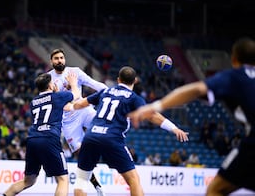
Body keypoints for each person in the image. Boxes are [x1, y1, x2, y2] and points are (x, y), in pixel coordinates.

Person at [128, 37, 255, 195]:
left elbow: (196, 90)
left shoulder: (236, 76)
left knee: (216, 190)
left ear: (234, 59)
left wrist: (156, 106)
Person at [70, 66, 189, 196]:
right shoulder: (134, 98)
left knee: (82, 179)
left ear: (118, 79)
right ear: (135, 81)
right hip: (111, 138)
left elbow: (78, 105)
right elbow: (152, 115)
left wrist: (74, 88)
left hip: (91, 136)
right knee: (133, 180)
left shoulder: (105, 91)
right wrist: (174, 128)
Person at [3, 72, 80, 196]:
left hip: (33, 139)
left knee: (28, 181)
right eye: (53, 82)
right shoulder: (58, 97)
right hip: (49, 138)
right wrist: (73, 83)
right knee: (62, 179)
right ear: (50, 85)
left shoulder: (34, 102)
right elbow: (76, 95)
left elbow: (51, 103)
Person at [47, 48, 108, 195]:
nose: (60, 60)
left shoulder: (75, 72)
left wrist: (109, 92)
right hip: (67, 122)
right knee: (82, 156)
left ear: (65, 59)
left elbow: (95, 84)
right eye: (56, 58)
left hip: (83, 110)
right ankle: (96, 185)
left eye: (61, 57)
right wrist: (56, 94)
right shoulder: (48, 78)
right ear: (51, 61)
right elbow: (49, 102)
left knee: (104, 128)